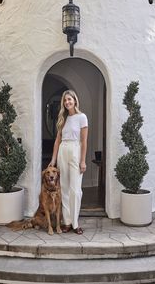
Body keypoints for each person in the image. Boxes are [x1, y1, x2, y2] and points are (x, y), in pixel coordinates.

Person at [49, 89, 88, 235]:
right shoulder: (62, 118)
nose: (67, 102)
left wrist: (82, 160)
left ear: (75, 101)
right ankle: (67, 222)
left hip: (75, 150)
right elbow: (57, 141)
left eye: (69, 99)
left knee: (75, 190)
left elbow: (84, 141)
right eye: (65, 100)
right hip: (62, 151)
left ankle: (75, 223)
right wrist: (53, 160)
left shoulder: (82, 117)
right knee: (64, 188)